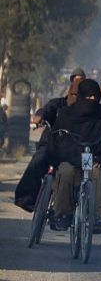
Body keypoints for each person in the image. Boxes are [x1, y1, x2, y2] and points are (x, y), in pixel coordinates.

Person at [48, 79, 101, 233]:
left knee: (95, 173)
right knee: (66, 172)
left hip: (89, 157)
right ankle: (62, 214)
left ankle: (97, 217)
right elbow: (56, 137)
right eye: (88, 97)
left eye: (95, 97)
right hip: (70, 156)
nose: (92, 100)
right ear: (81, 96)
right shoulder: (67, 114)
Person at [14, 68, 85, 212]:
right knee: (39, 159)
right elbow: (45, 110)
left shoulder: (86, 109)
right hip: (52, 145)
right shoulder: (58, 104)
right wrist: (39, 117)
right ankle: (26, 198)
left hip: (73, 151)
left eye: (81, 82)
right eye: (75, 81)